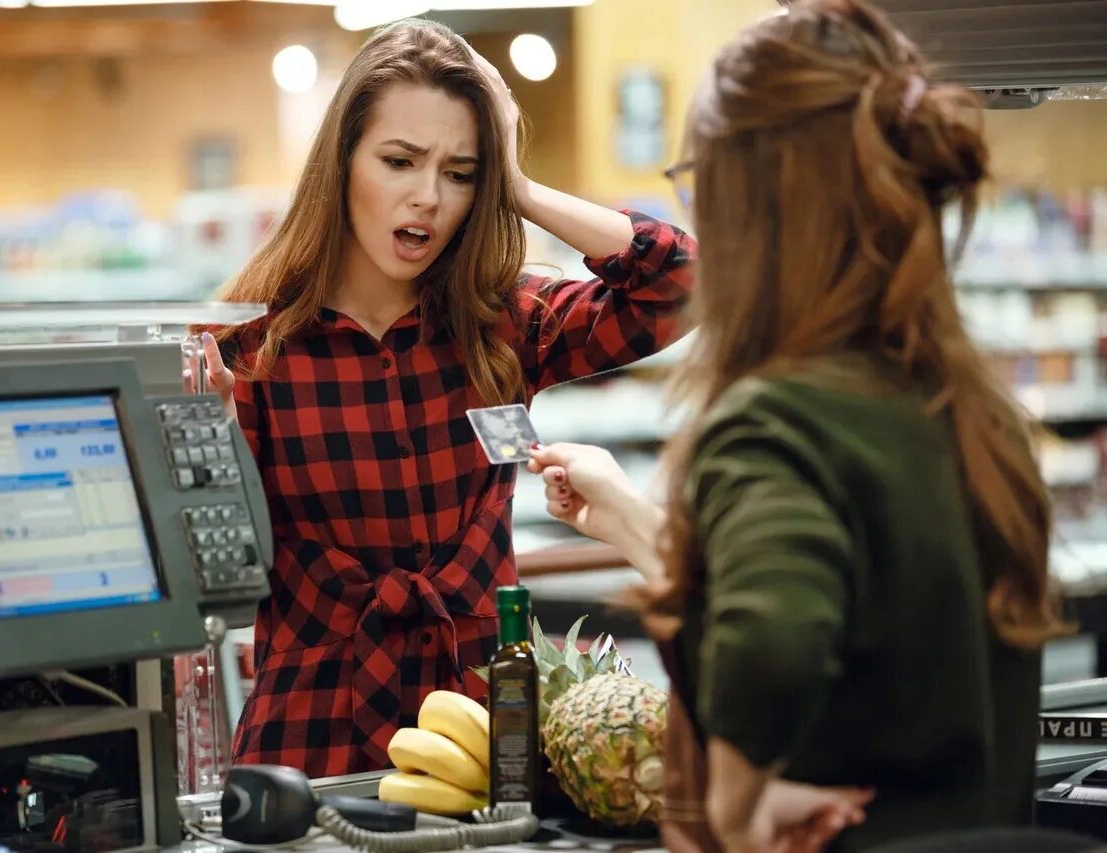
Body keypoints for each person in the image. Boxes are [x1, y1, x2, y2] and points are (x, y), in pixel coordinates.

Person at [527, 0, 1067, 850]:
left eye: (699, 183)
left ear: (756, 199)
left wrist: (738, 805)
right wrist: (631, 518)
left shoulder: (773, 419)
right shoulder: (973, 415)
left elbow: (774, 641)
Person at [190, 19, 696, 778]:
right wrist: (211, 440)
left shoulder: (504, 325)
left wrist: (517, 186)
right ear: (343, 163)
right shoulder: (246, 353)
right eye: (399, 161)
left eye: (461, 172)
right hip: (311, 745)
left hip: (488, 734)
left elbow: (679, 283)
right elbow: (209, 570)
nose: (428, 197)